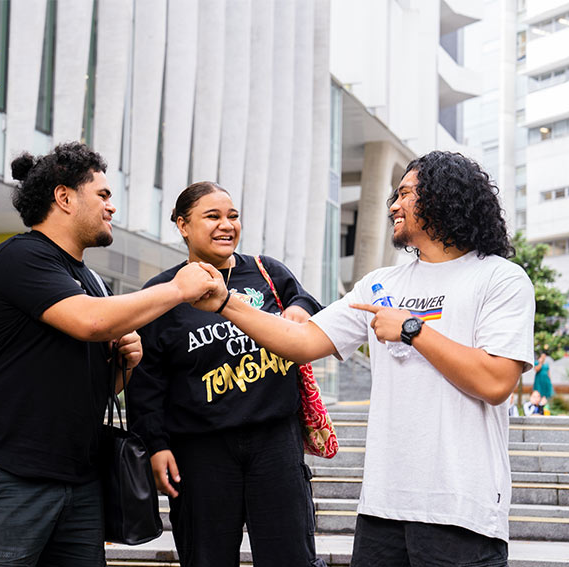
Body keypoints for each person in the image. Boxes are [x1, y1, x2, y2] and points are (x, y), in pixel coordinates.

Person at [194, 151, 535, 566]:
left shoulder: (499, 278)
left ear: (443, 198)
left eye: (405, 193)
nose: (393, 205)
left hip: (460, 508)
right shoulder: (379, 284)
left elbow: (496, 382)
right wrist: (226, 302)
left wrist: (414, 330)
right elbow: (301, 341)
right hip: (382, 508)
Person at [0, 143, 218, 566]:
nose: (112, 206)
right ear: (64, 197)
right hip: (7, 479)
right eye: (103, 195)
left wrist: (126, 363)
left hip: (79, 480)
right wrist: (178, 289)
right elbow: (89, 322)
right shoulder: (21, 256)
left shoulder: (91, 278)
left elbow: (98, 384)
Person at [127, 182, 326, 567]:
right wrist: (156, 445)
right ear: (183, 226)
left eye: (232, 216)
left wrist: (300, 309)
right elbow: (146, 383)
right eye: (213, 216)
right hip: (200, 450)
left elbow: (303, 299)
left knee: (291, 557)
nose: (226, 225)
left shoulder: (267, 272)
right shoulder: (164, 292)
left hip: (275, 441)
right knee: (207, 557)